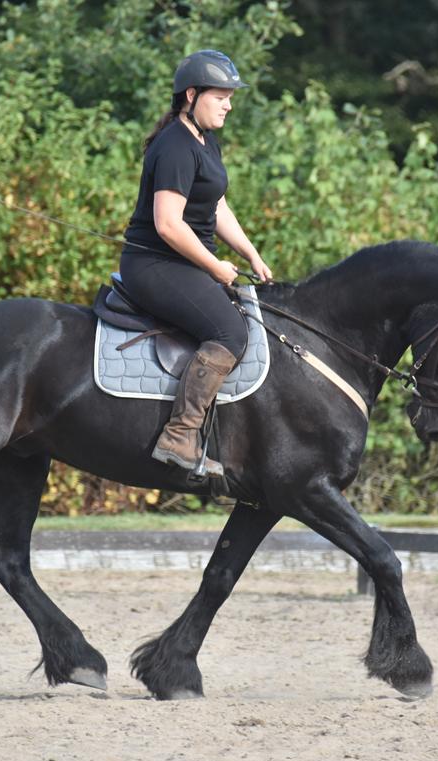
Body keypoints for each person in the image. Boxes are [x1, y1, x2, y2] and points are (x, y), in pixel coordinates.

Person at [119, 50, 273, 478]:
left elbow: (216, 205)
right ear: (191, 94)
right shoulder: (174, 146)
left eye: (230, 96)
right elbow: (168, 225)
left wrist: (249, 253)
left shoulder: (206, 141)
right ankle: (181, 436)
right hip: (155, 265)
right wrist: (214, 266)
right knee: (230, 332)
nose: (229, 104)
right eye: (221, 95)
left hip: (186, 264)